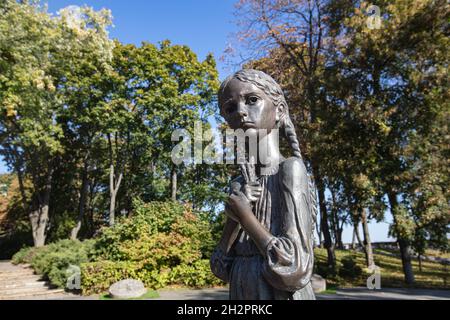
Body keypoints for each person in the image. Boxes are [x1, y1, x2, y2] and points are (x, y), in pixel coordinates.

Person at [210, 69, 317, 300]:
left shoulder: (290, 170)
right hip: (241, 291)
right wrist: (233, 219)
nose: (240, 112)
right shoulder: (238, 185)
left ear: (279, 110)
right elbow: (220, 268)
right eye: (230, 108)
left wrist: (246, 218)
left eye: (252, 100)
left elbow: (295, 268)